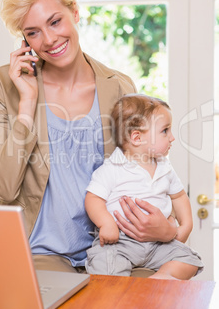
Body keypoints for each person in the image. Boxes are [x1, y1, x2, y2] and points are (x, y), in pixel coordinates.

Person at [0, 0, 178, 275]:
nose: (49, 40)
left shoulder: (119, 87)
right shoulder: (5, 84)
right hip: (41, 252)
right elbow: (4, 188)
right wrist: (27, 104)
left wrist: (167, 229)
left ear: (74, 11)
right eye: (33, 32)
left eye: (55, 21)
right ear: (23, 40)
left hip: (114, 246)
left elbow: (146, 169)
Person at [85, 94, 203, 279]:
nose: (172, 137)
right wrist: (106, 223)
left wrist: (186, 226)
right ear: (137, 137)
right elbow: (93, 198)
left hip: (159, 244)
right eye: (165, 130)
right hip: (120, 242)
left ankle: (159, 280)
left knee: (190, 261)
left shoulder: (165, 167)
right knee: (106, 265)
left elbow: (179, 196)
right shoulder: (113, 167)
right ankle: (118, 294)